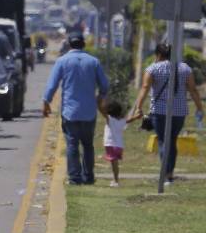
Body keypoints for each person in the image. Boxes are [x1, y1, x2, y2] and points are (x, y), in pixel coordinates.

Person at [130, 42, 205, 186]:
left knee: (164, 141)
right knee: (172, 141)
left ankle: (165, 175)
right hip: (179, 112)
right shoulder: (184, 68)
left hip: (159, 111)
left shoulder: (152, 69)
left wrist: (138, 107)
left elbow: (145, 88)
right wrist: (199, 108)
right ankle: (169, 174)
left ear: (158, 55)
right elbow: (193, 90)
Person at [42, 33, 109, 184]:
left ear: (69, 45)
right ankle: (89, 176)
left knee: (72, 145)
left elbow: (52, 85)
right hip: (89, 112)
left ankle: (75, 177)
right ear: (83, 45)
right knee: (88, 145)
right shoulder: (93, 62)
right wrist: (101, 96)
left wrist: (46, 102)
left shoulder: (62, 61)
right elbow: (104, 85)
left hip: (70, 112)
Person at [101, 101, 138, 187]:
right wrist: (136, 116)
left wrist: (100, 104)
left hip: (110, 144)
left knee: (114, 164)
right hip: (119, 146)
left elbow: (103, 113)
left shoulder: (109, 119)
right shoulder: (121, 121)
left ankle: (116, 180)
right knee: (115, 163)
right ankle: (115, 179)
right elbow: (128, 120)